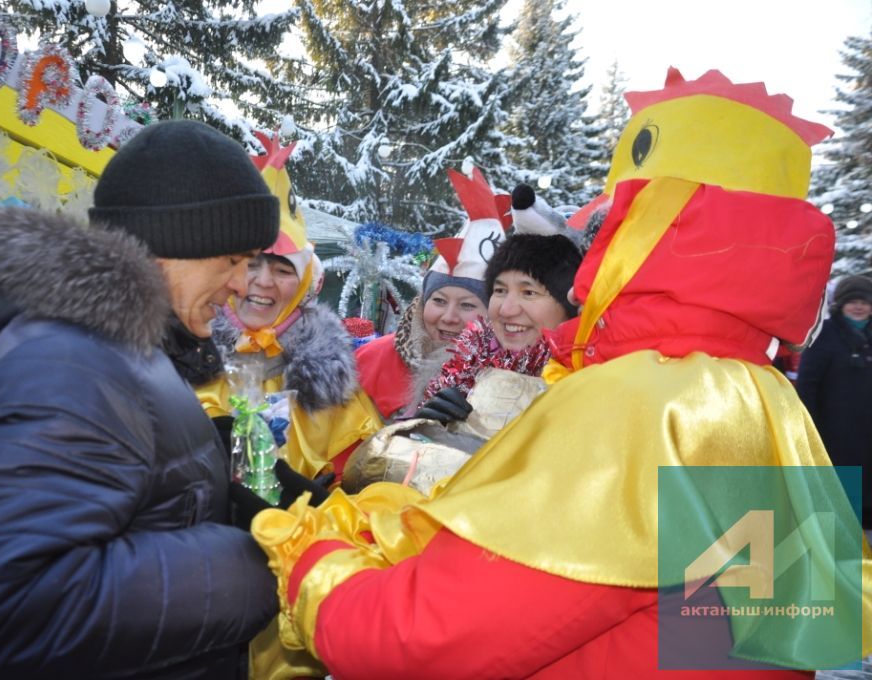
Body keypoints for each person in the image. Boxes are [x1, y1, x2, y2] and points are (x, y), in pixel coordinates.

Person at [249, 68, 870, 678]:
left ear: (646, 228)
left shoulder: (638, 404)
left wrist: (310, 553)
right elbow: (736, 624)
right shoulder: (761, 398)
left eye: (608, 223)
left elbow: (415, 637)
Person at [0, 120, 282, 680]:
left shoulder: (120, 347)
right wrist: (259, 560)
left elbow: (125, 484)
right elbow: (5, 612)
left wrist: (212, 480)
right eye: (234, 258)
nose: (244, 283)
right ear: (173, 245)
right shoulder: (66, 360)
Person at [195, 132, 382, 480]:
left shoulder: (330, 381)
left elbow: (360, 477)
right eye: (251, 263)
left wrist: (320, 504)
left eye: (283, 270)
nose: (263, 281)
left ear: (304, 285)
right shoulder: (184, 355)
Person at [355, 167, 507, 420]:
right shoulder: (371, 359)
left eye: (467, 305)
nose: (448, 317)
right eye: (438, 300)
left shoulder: (507, 376)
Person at [417, 233, 582, 427]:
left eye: (529, 293)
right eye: (500, 291)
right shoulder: (462, 366)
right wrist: (425, 430)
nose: (506, 310)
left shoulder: (583, 384)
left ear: (569, 306)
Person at [797, 274, 872, 530]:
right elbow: (807, 384)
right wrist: (809, 425)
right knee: (844, 490)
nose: (859, 306)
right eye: (853, 301)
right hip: (836, 429)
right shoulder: (825, 335)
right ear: (840, 303)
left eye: (865, 301)